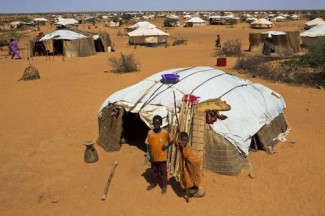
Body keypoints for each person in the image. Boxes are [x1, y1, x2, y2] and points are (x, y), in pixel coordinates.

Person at [145, 115, 174, 194]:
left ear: (161, 123)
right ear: (153, 124)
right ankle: (154, 183)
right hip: (153, 158)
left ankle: (164, 186)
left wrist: (166, 147)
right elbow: (148, 145)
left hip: (162, 157)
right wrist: (150, 156)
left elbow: (172, 140)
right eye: (155, 123)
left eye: (158, 123)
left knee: (163, 172)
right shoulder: (150, 133)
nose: (156, 125)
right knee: (154, 171)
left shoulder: (164, 133)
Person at [179, 131, 203, 196]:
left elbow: (186, 155)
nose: (185, 142)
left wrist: (183, 147)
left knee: (193, 175)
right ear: (180, 140)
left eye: (186, 140)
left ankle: (195, 188)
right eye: (183, 140)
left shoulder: (187, 147)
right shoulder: (181, 145)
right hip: (189, 164)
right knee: (188, 175)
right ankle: (191, 187)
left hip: (194, 163)